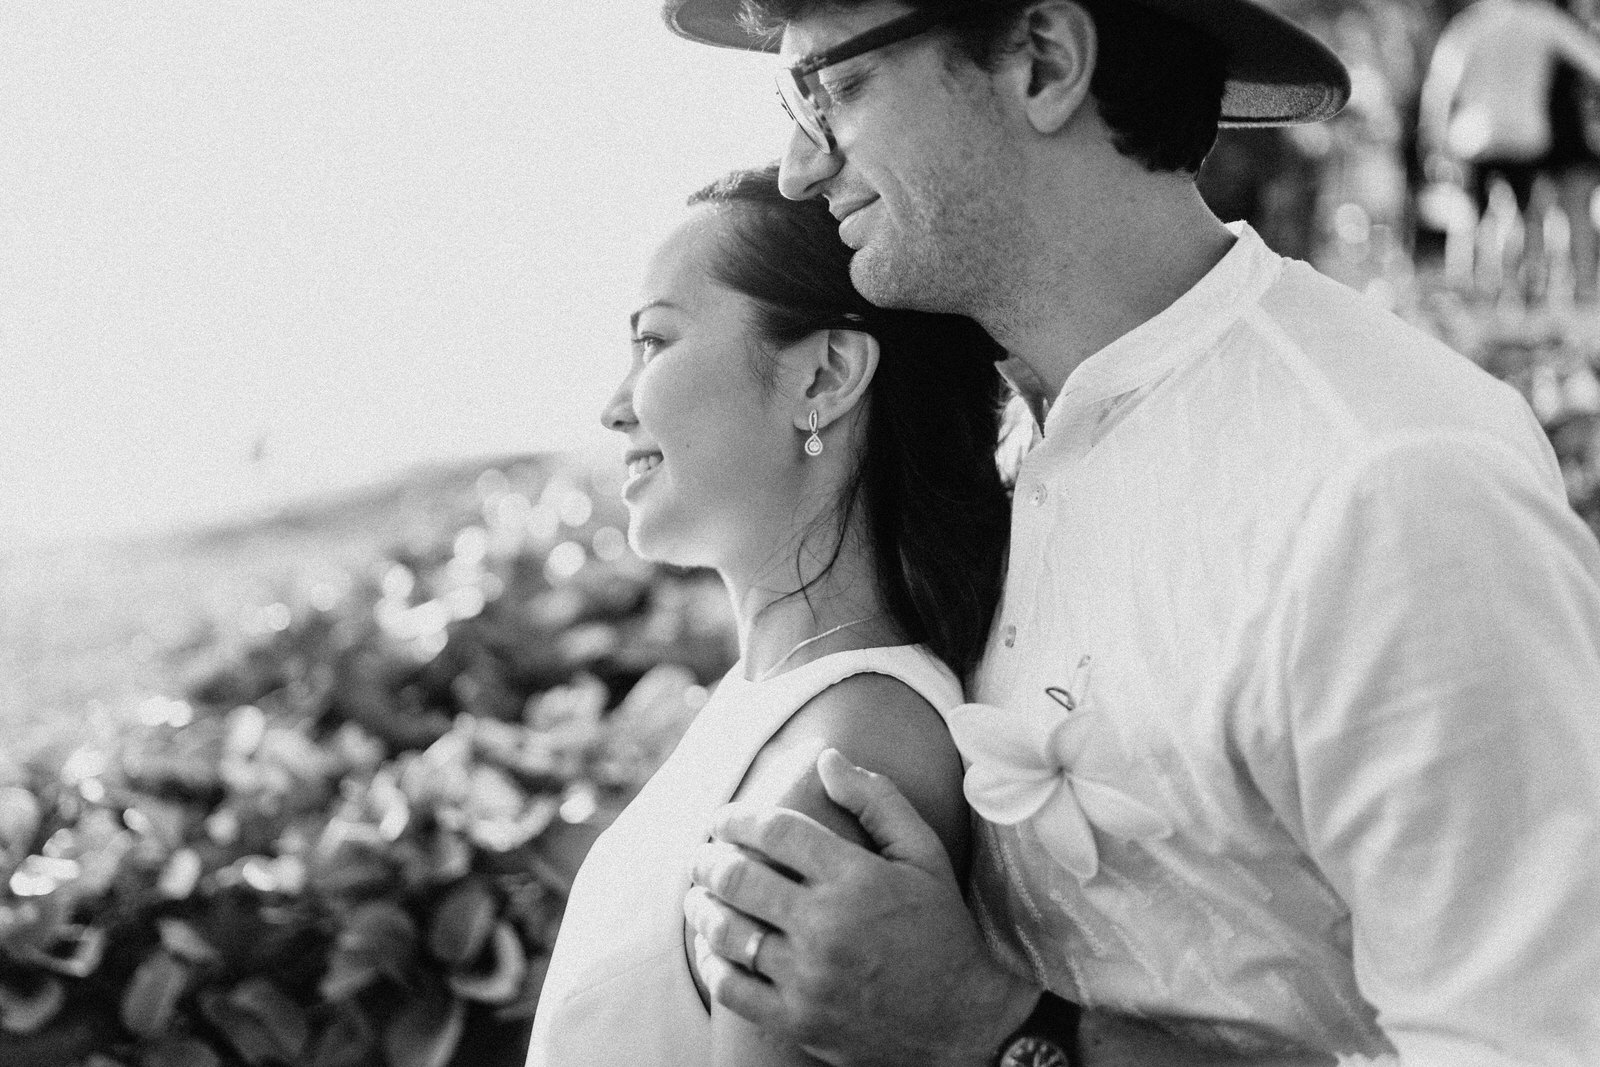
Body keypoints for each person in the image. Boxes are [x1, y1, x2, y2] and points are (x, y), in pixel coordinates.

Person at [666, 0, 1600, 1064]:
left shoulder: (1389, 488)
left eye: (832, 90)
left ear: (1044, 61)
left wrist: (986, 1026)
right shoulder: (1004, 444)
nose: (797, 168)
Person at [524, 164, 1013, 1065]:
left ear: (824, 375)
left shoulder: (846, 762)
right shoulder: (769, 703)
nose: (614, 408)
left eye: (654, 341)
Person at [1419, 0, 1600, 215]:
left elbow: (1439, 88)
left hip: (1477, 140)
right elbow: (1592, 59)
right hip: (1525, 139)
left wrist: (1433, 143)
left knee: (1474, 217)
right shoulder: (1542, 19)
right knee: (1526, 215)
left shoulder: (1472, 23)